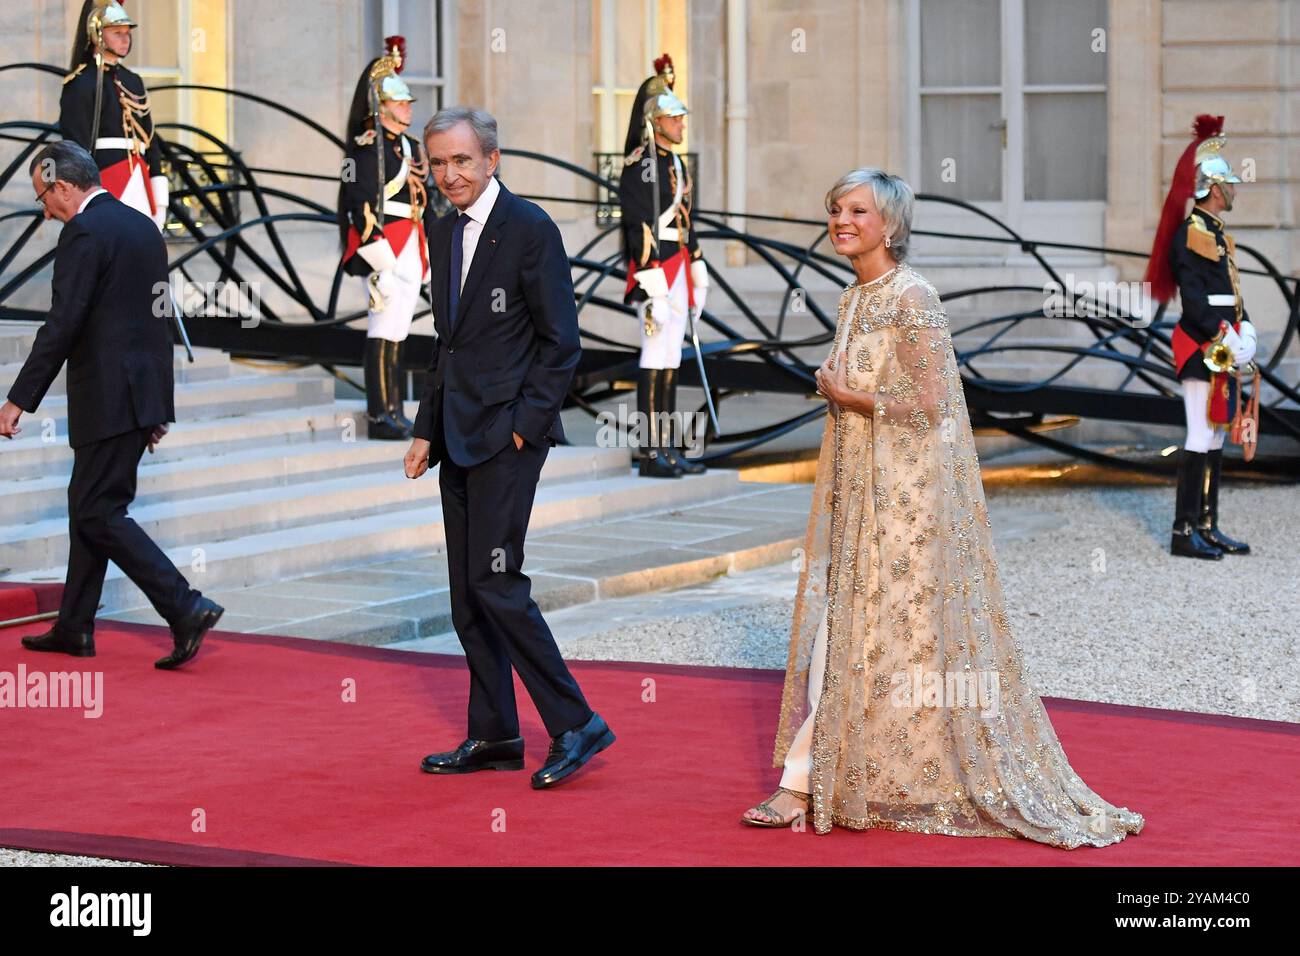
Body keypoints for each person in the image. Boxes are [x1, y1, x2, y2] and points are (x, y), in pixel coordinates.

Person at [740, 168, 1144, 848]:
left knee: (858, 636)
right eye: (836, 208)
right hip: (864, 495)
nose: (842, 220)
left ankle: (801, 783)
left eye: (858, 211)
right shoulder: (853, 297)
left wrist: (854, 399)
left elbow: (931, 405)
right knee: (859, 636)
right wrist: (844, 393)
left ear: (891, 224)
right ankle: (867, 771)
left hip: (909, 501)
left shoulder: (913, 295)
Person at [403, 108, 613, 789]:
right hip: (457, 432)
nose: (449, 174)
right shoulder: (441, 229)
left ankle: (575, 723)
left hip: (508, 436)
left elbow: (562, 341)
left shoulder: (530, 229)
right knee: (468, 592)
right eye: (438, 163)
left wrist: (526, 424)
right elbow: (450, 343)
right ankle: (493, 732)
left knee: (496, 580)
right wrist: (424, 427)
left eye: (462, 161)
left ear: (491, 160)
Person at [0, 142, 223, 668]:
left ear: (63, 187)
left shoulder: (84, 232)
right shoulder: (141, 225)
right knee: (90, 505)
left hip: (105, 397)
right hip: (136, 395)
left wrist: (17, 400)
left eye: (44, 198)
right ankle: (75, 627)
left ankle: (185, 605)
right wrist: (155, 405)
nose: (45, 210)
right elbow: (158, 321)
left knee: (99, 510)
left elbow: (62, 324)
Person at [1145, 115, 1255, 560]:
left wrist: (1245, 323)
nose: (1234, 189)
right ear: (1213, 187)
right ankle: (1182, 530)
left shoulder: (1213, 232)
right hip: (1204, 348)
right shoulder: (1193, 232)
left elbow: (1227, 289)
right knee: (1197, 435)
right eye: (1228, 182)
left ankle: (1207, 525)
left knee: (1214, 437)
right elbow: (1196, 299)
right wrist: (1224, 333)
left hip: (1221, 346)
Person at [618, 54, 710, 477]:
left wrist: (697, 266)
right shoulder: (642, 164)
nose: (681, 123)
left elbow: (689, 221)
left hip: (677, 267)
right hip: (655, 270)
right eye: (674, 117)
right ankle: (649, 453)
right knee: (654, 357)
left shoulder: (676, 162)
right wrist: (650, 275)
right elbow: (638, 224)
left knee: (671, 359)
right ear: (655, 120)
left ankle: (668, 447)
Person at [338, 35, 433, 441]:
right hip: (384, 245)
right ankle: (379, 414)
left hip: (411, 239)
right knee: (382, 326)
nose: (407, 107)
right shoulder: (366, 148)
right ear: (381, 104)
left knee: (399, 329)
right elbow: (358, 203)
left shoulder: (408, 145)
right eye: (400, 102)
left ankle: (395, 408)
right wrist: (379, 258)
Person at [59, 1, 169, 231]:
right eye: (117, 33)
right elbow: (76, 142)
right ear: (97, 34)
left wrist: (158, 189)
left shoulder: (133, 80)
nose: (125, 39)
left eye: (127, 33)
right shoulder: (81, 82)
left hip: (139, 176)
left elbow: (150, 138)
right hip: (106, 176)